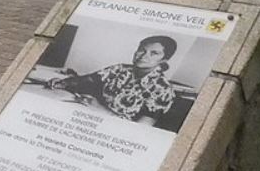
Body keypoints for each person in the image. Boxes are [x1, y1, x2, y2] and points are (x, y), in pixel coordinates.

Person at [47, 35, 177, 126]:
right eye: (141, 50)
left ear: (164, 60)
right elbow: (88, 80)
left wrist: (100, 109)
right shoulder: (120, 68)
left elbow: (140, 130)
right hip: (89, 117)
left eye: (154, 53)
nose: (143, 56)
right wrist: (64, 82)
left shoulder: (163, 90)